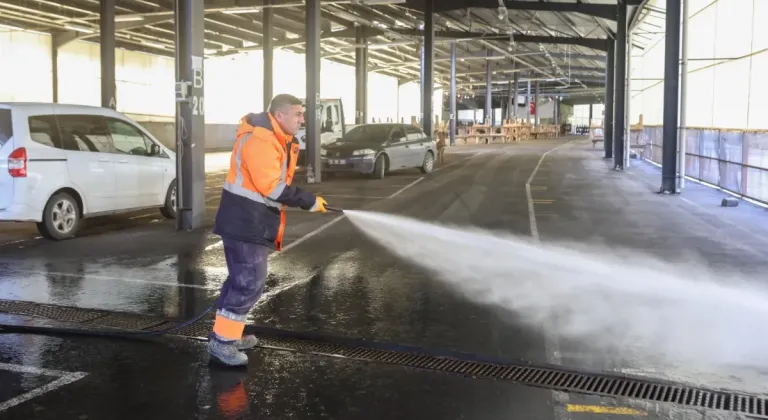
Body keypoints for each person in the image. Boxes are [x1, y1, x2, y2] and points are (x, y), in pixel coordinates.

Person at [208, 93, 328, 366]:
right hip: (244, 221)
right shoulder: (261, 139)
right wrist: (307, 200)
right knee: (249, 282)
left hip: (250, 220)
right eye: (297, 114)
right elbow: (271, 187)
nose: (301, 119)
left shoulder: (275, 138)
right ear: (281, 115)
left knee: (241, 281)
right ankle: (222, 344)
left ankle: (227, 335)